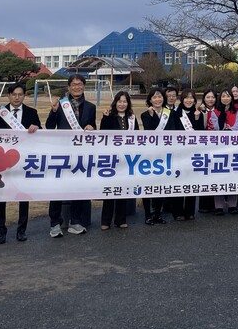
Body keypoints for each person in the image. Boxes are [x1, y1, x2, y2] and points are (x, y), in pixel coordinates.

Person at [0, 82, 40, 243]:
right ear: (8, 96)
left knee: (23, 196)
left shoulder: (32, 112)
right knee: (1, 196)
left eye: (20, 94)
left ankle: (21, 230)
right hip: (3, 160)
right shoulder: (0, 112)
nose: (17, 97)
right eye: (14, 94)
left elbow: (41, 132)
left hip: (23, 160)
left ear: (24, 96)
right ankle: (0, 232)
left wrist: (36, 126)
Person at [45, 74, 96, 238]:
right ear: (69, 87)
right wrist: (53, 111)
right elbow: (49, 126)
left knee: (78, 188)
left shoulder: (90, 107)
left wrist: (91, 127)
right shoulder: (60, 105)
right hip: (62, 152)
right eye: (74, 84)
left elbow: (92, 126)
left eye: (80, 84)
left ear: (84, 86)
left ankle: (75, 221)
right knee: (57, 189)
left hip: (80, 153)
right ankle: (54, 223)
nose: (77, 87)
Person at [99, 91, 136, 230]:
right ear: (115, 102)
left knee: (122, 189)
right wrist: (105, 117)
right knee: (109, 190)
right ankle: (105, 221)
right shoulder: (108, 115)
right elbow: (102, 133)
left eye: (125, 101)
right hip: (111, 158)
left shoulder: (132, 118)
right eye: (119, 101)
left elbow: (137, 137)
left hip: (126, 159)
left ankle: (120, 220)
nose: (122, 104)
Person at [139, 88, 172, 225]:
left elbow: (174, 131)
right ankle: (148, 214)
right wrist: (152, 116)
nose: (157, 99)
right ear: (150, 100)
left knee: (161, 185)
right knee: (148, 185)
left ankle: (158, 214)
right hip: (150, 155)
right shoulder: (145, 115)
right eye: (154, 97)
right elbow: (150, 133)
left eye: (159, 97)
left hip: (165, 153)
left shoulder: (170, 113)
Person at [172, 89, 205, 221]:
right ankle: (177, 211)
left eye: (191, 98)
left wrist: (197, 119)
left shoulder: (198, 113)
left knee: (192, 182)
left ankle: (190, 211)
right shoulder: (175, 113)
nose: (189, 100)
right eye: (186, 98)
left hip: (193, 153)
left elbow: (201, 134)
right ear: (182, 99)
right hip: (179, 153)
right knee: (179, 181)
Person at [213, 89, 238, 215]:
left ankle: (232, 205)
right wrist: (224, 127)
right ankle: (219, 205)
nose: (225, 98)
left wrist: (229, 130)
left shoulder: (237, 111)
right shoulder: (215, 112)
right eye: (223, 96)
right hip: (218, 148)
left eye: (228, 96)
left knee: (233, 174)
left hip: (233, 146)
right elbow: (216, 128)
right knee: (218, 174)